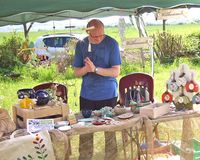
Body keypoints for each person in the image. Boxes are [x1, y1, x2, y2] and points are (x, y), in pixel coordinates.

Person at [73, 19, 121, 160]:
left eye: (101, 35)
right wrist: (86, 69)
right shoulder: (81, 45)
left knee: (109, 132)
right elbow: (76, 72)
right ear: (88, 32)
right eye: (95, 36)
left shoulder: (112, 44)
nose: (99, 39)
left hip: (108, 94)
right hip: (87, 95)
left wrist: (95, 69)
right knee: (86, 133)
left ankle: (111, 158)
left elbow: (115, 71)